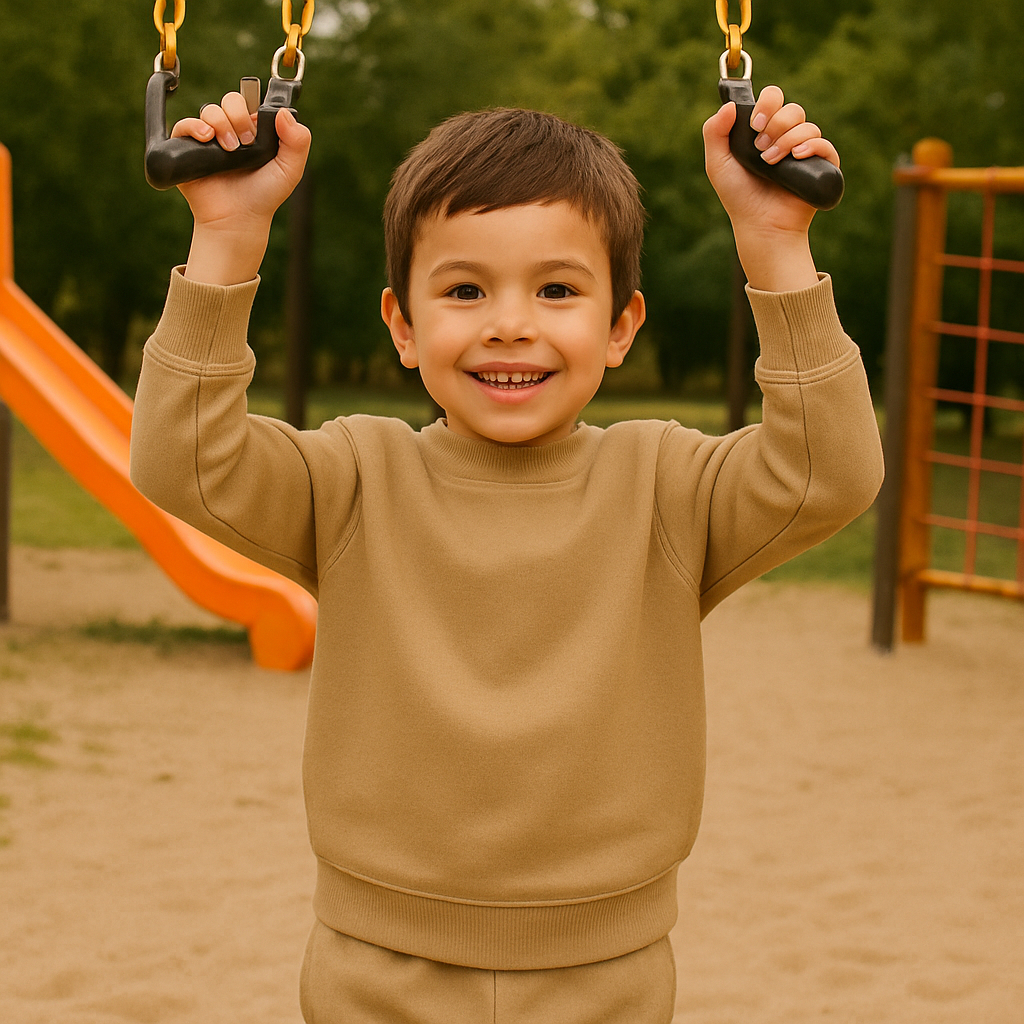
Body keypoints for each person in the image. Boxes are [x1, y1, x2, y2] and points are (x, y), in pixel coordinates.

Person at [129, 88, 884, 1022]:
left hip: (606, 975)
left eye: (557, 290)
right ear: (403, 326)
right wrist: (228, 235)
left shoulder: (666, 486)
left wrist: (775, 244)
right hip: (376, 969)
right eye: (464, 291)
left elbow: (828, 472)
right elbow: (184, 459)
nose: (510, 324)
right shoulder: (355, 478)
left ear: (621, 325)